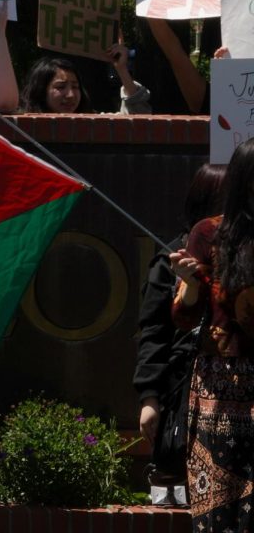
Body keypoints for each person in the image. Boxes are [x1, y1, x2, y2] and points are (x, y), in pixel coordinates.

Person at [170, 138, 254, 531]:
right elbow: (185, 317)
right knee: (218, 513)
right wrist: (188, 285)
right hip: (221, 390)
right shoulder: (209, 233)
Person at [134, 163, 226, 506]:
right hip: (182, 393)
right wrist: (149, 400)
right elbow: (154, 333)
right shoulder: (170, 259)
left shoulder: (240, 255)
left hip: (230, 396)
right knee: (174, 498)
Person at [19, 54, 152, 113]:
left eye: (75, 87)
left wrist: (121, 69)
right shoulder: (23, 128)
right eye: (60, 87)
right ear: (41, 90)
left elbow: (137, 117)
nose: (70, 95)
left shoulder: (94, 124)